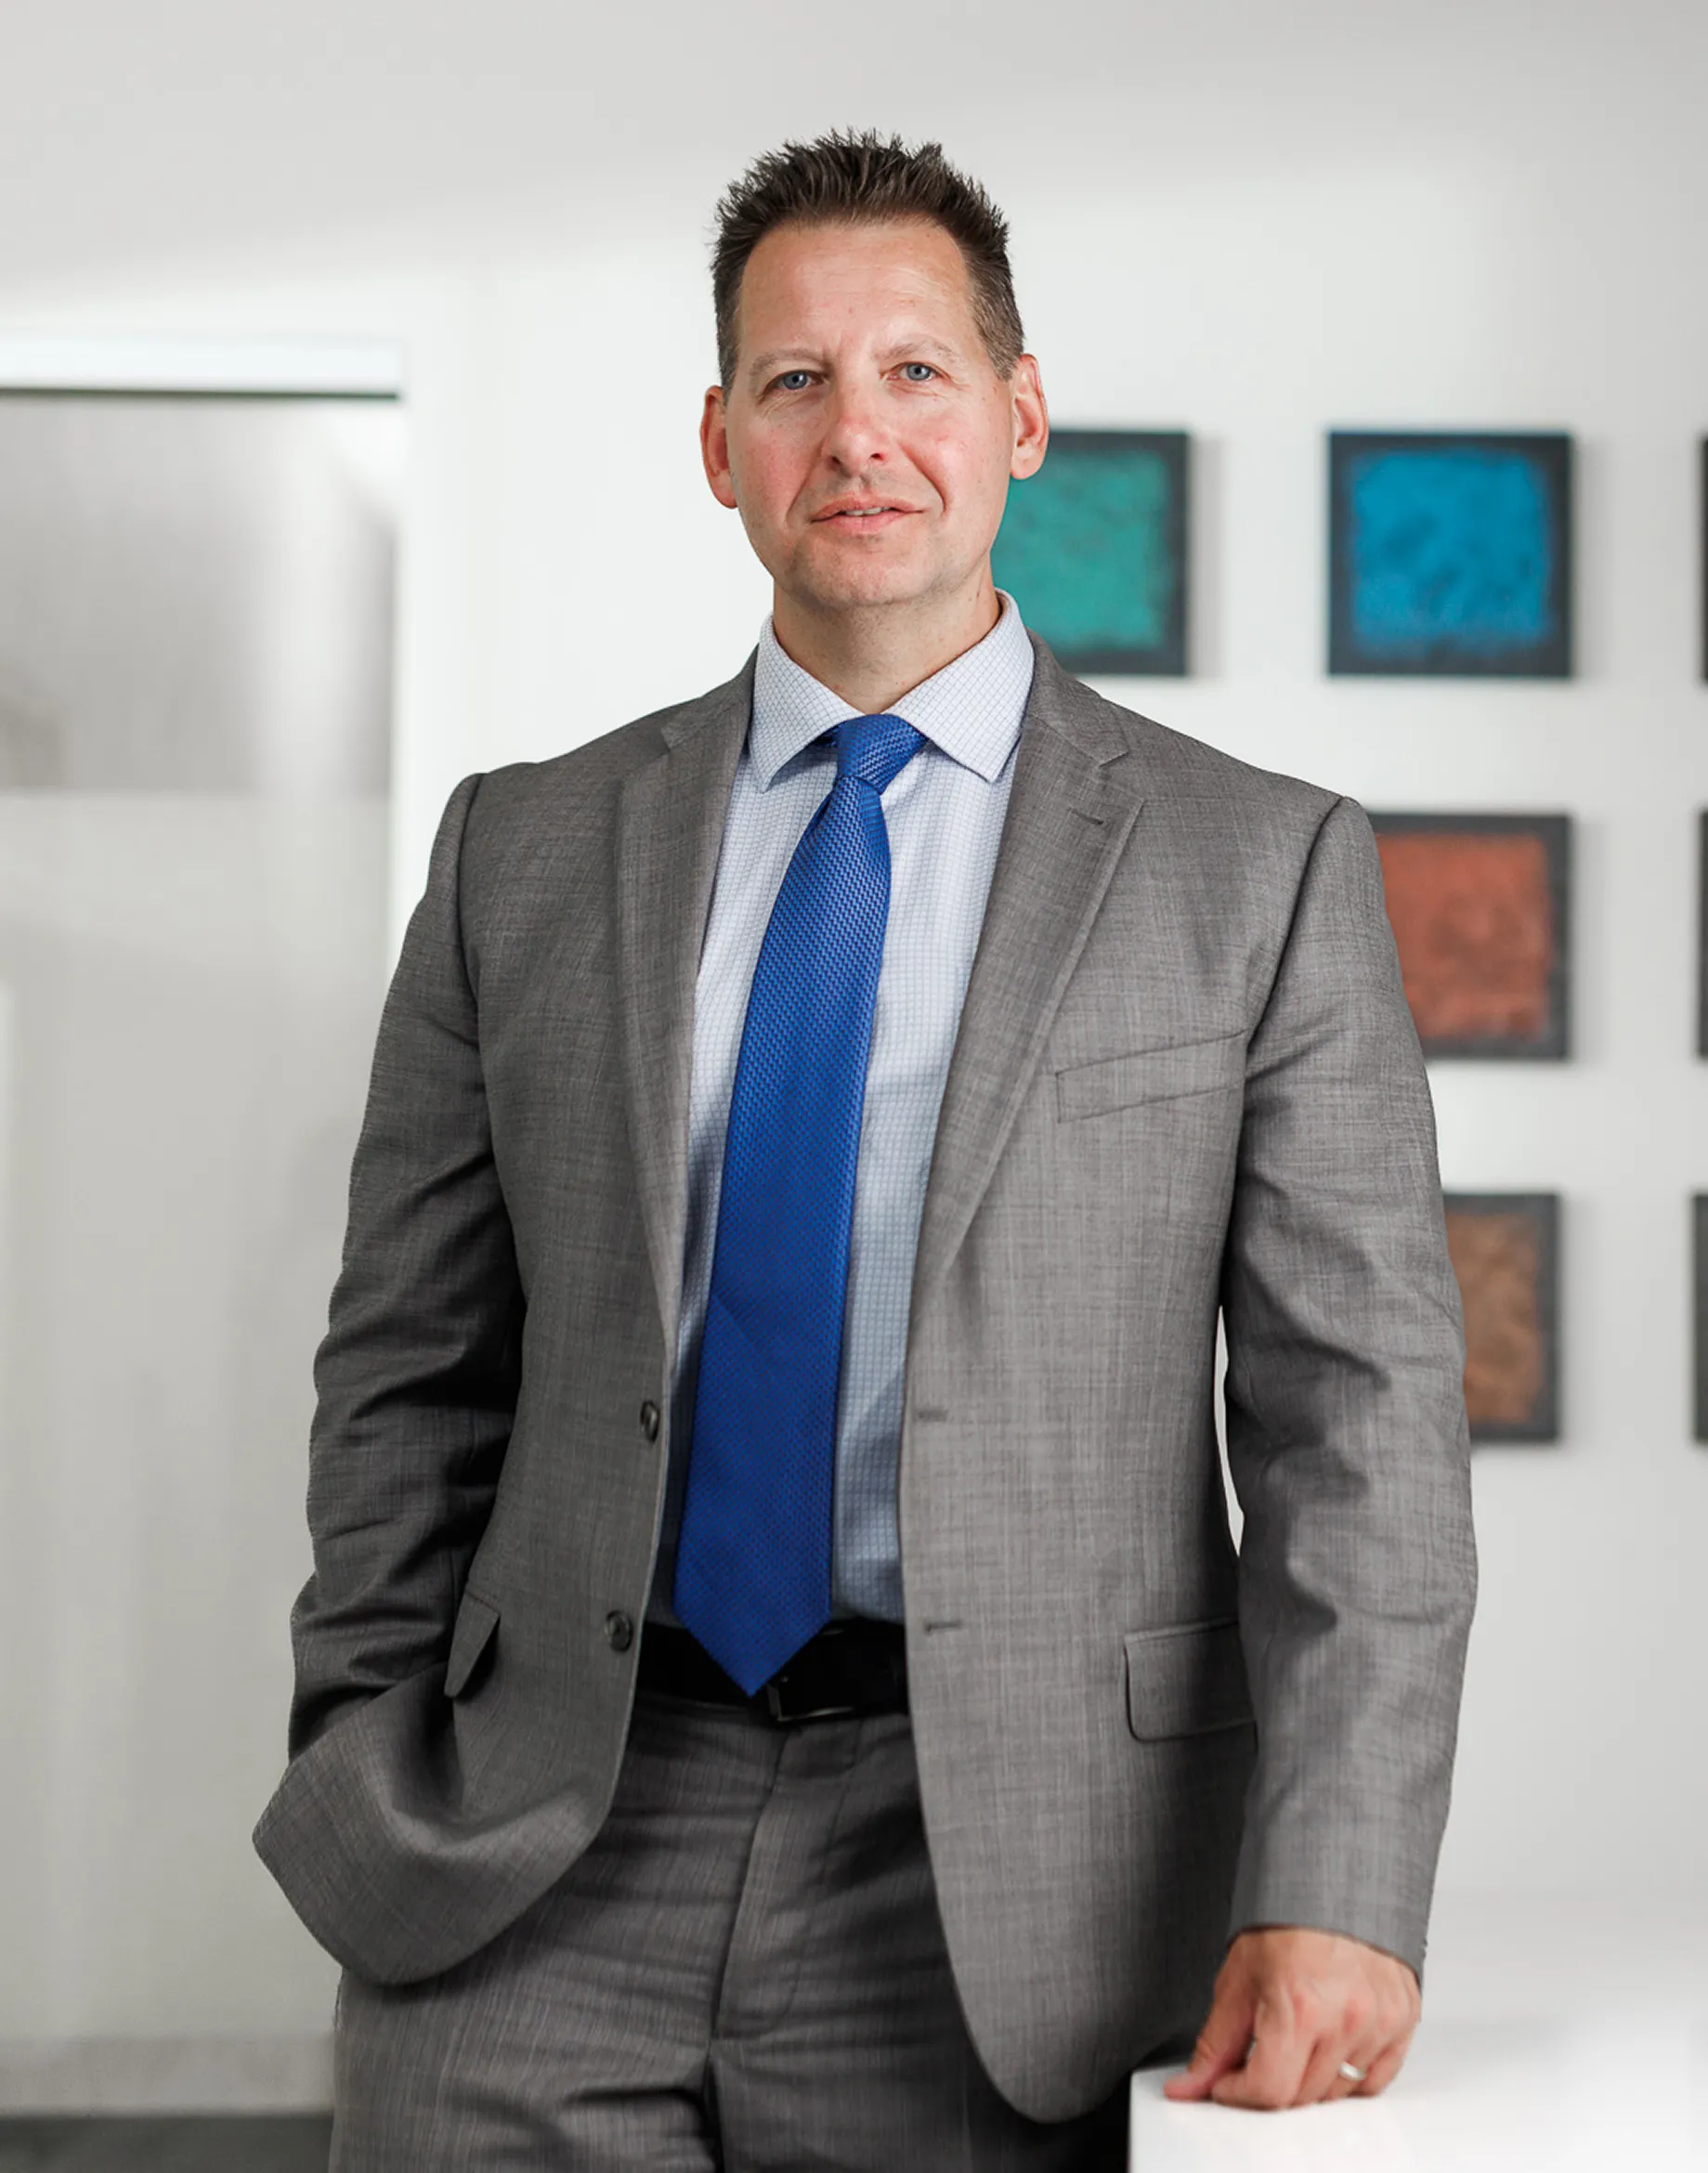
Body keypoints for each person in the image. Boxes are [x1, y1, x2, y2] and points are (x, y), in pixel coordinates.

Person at [255, 129, 1477, 2169]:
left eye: (914, 370)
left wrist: (1339, 1878)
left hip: (1009, 1886)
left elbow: (1360, 1428)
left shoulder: (1253, 870)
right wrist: (363, 1743)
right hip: (540, 1845)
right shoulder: (522, 854)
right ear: (718, 440)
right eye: (794, 380)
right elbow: (407, 1370)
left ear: (1018, 416)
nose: (858, 432)